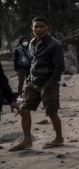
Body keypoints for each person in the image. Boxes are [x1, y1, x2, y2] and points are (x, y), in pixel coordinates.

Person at [8, 17, 65, 152]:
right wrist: (28, 80)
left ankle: (59, 138)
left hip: (48, 83)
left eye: (41, 26)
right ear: (32, 29)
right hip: (32, 82)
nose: (38, 29)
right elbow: (33, 62)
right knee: (24, 110)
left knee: (51, 112)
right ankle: (27, 141)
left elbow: (59, 67)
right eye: (36, 27)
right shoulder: (32, 43)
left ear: (47, 28)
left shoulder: (54, 45)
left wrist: (50, 84)